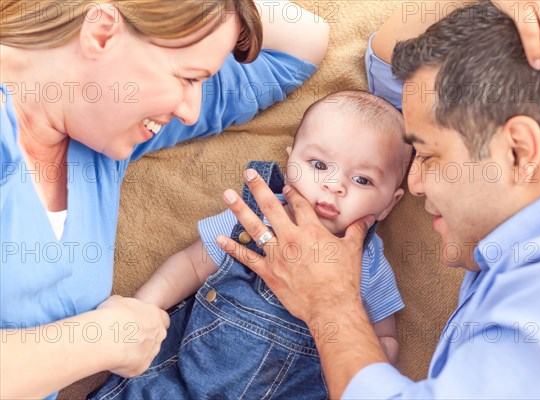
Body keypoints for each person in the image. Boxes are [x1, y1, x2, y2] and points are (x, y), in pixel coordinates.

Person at [214, 1, 540, 398]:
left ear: (519, 150)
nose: (414, 185)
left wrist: (328, 302)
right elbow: (389, 69)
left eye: (429, 156)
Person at [0, 1, 329, 398]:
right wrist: (103, 340)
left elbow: (301, 44)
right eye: (188, 78)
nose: (191, 111)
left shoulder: (101, 137)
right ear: (101, 32)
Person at [90, 90, 413, 399]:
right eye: (318, 165)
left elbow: (383, 335)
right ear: (289, 163)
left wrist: (380, 357)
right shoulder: (252, 219)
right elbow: (190, 265)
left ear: (388, 203)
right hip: (181, 378)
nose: (334, 185)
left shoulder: (367, 261)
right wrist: (142, 308)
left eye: (362, 180)